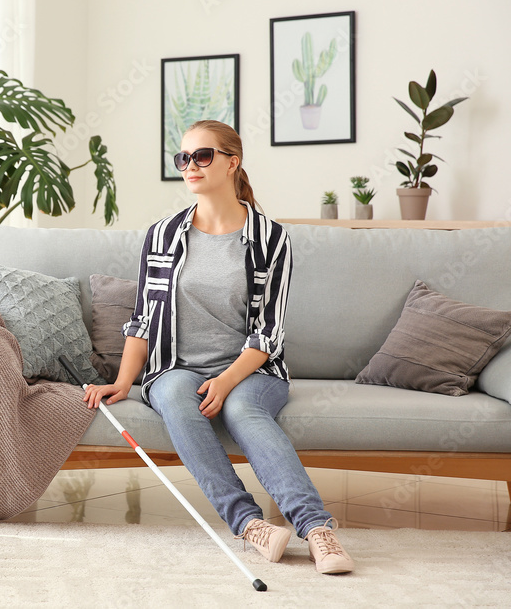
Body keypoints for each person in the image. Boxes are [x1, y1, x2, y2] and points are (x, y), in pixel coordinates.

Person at [83, 120, 353, 575]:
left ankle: (317, 529)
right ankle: (250, 525)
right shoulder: (162, 235)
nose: (190, 166)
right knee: (171, 396)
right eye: (183, 158)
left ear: (233, 161)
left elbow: (269, 332)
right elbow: (143, 319)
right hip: (176, 367)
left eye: (202, 156)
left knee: (243, 410)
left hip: (251, 370)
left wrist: (226, 383)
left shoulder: (271, 238)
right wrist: (123, 382)